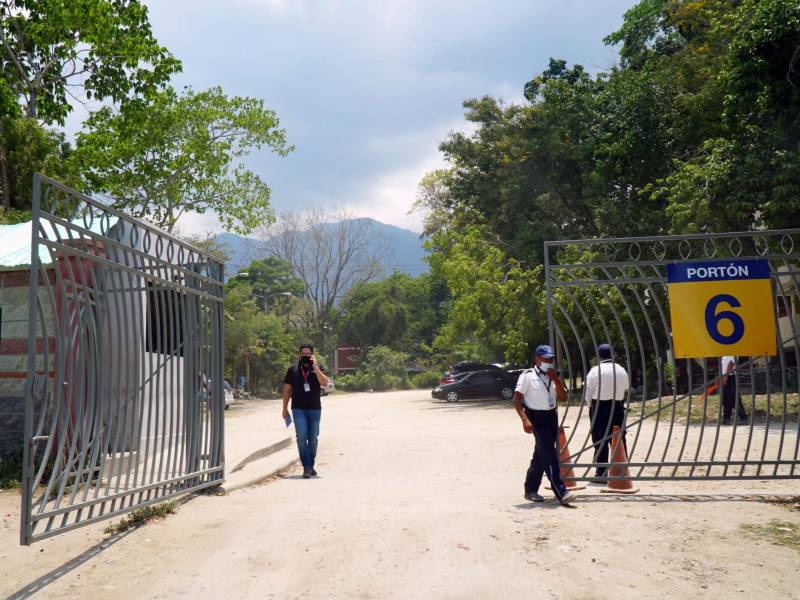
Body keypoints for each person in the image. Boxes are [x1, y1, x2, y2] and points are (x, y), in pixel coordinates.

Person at [513, 344, 577, 504]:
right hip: (536, 417)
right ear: (538, 359)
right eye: (546, 359)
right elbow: (516, 399)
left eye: (551, 359)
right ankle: (561, 491)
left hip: (551, 416)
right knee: (549, 454)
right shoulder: (527, 376)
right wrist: (525, 420)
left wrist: (556, 378)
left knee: (541, 454)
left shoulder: (553, 376)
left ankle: (530, 489)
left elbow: (562, 397)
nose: (549, 362)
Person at [282, 344, 330, 478]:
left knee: (313, 438)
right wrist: (284, 408)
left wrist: (315, 366)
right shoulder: (292, 369)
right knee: (301, 437)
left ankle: (310, 465)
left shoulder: (318, 368)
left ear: (312, 354)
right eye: (303, 354)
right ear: (299, 354)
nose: (305, 356)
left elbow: (325, 383)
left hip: (315, 409)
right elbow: (287, 390)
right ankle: (307, 467)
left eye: (308, 354)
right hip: (298, 409)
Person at [584, 343, 630, 481]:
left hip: (599, 407)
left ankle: (601, 473)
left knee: (599, 439)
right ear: (612, 355)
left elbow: (588, 393)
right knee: (618, 439)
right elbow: (626, 387)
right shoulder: (621, 370)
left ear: (599, 356)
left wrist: (590, 406)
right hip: (617, 407)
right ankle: (621, 471)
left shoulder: (595, 371)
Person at [720, 355, 748, 425]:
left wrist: (726, 375)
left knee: (734, 398)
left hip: (731, 376)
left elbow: (731, 363)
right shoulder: (724, 355)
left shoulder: (733, 351)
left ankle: (743, 418)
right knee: (726, 399)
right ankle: (726, 418)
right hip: (724, 377)